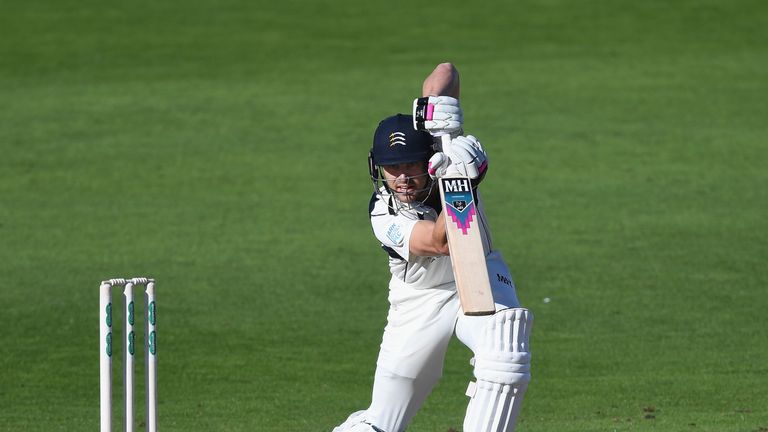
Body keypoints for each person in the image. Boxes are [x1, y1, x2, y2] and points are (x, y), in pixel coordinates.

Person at [333, 63, 533, 432]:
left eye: (410, 165)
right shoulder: (383, 214)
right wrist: (462, 182)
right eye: (392, 168)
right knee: (380, 423)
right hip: (420, 302)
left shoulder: (441, 146)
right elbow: (440, 242)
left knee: (506, 354)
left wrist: (435, 110)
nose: (403, 178)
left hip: (480, 273)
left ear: (427, 159)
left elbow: (446, 72)